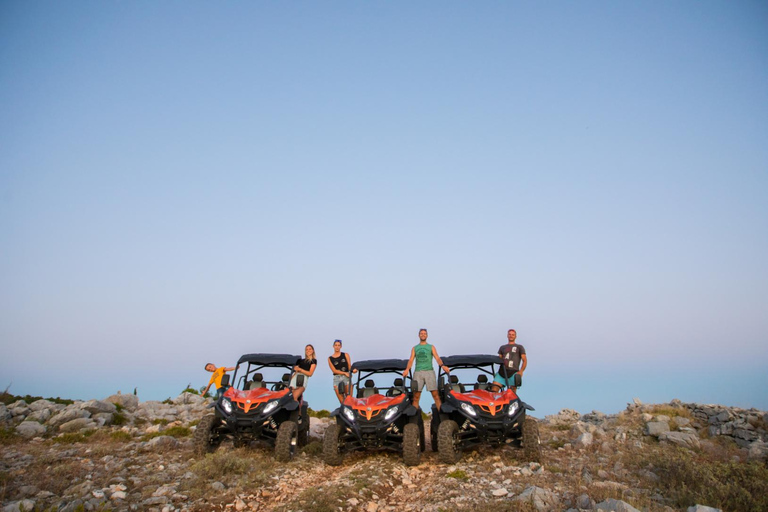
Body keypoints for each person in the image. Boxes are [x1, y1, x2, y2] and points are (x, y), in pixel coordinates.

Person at [403, 328, 449, 410]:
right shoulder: (415, 348)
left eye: (424, 333)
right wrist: (407, 369)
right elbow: (411, 360)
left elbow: (437, 358)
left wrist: (443, 366)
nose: (423, 335)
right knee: (416, 396)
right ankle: (415, 418)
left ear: (427, 335)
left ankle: (441, 416)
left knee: (436, 395)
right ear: (418, 335)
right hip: (418, 372)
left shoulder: (431, 347)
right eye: (421, 333)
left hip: (429, 372)